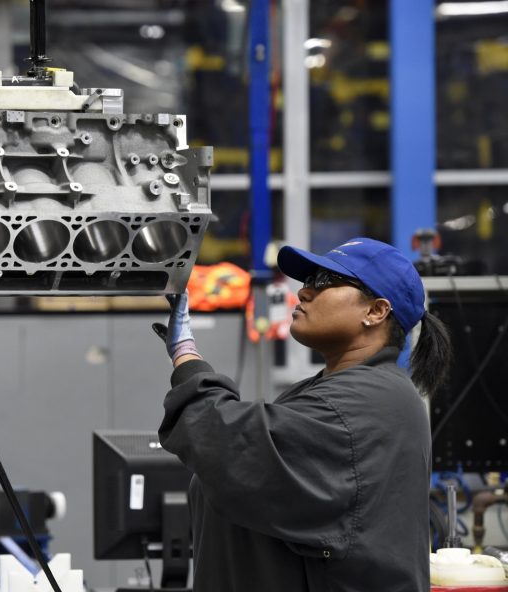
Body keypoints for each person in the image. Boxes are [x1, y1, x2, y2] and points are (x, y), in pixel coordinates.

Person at [152, 237, 452, 592]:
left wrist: (186, 356)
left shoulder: (368, 401)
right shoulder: (328, 391)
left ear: (376, 311)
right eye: (307, 282)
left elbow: (227, 443)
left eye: (324, 282)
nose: (304, 293)